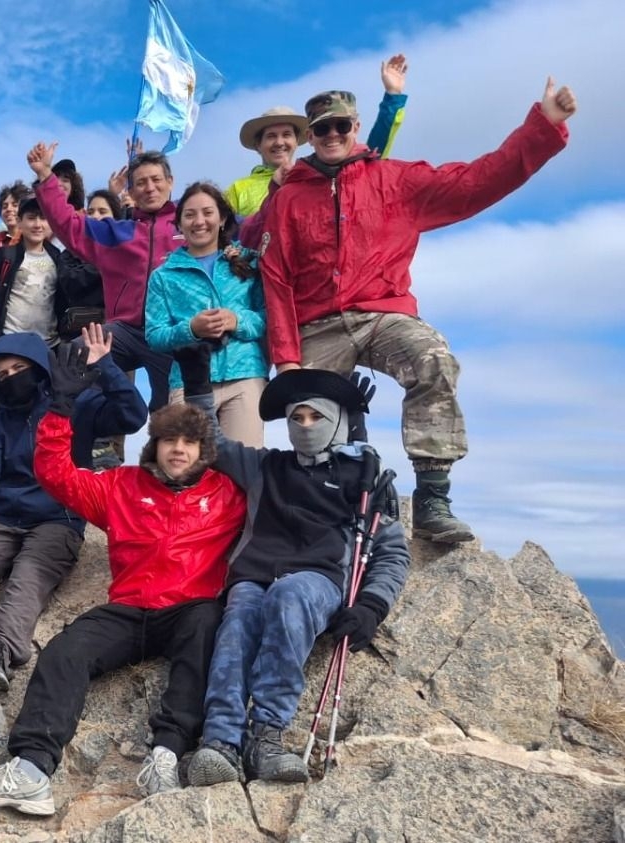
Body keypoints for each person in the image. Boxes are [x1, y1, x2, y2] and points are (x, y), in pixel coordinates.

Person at [258, 78, 576, 542]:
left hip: (382, 314)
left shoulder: (397, 180)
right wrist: (287, 358)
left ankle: (432, 498)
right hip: (317, 324)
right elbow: (276, 275)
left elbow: (478, 180)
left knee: (434, 358)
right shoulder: (287, 197)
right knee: (308, 409)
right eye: (322, 129)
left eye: (340, 126)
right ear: (310, 135)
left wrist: (543, 126)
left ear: (356, 128)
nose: (331, 136)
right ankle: (328, 502)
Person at [0, 326, 246, 812]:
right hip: (129, 609)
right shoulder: (122, 486)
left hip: (189, 606)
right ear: (153, 446)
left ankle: (166, 754)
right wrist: (62, 410)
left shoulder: (227, 493)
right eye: (168, 440)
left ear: (203, 450)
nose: (178, 449)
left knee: (206, 630)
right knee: (65, 651)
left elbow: (288, 498)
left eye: (189, 443)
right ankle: (31, 768)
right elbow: (56, 475)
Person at [176, 355, 410, 786]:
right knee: (238, 620)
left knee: (290, 595)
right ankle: (220, 741)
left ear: (338, 420)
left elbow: (392, 550)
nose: (305, 425)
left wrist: (372, 607)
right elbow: (212, 444)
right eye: (296, 417)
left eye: (316, 416)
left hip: (316, 581)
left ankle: (267, 735)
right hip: (255, 574)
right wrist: (198, 387)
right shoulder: (269, 465)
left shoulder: (365, 477)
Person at [0, 330, 149, 689]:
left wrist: (106, 366)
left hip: (58, 518)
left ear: (39, 367)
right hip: (5, 518)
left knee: (27, 580)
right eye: (3, 374)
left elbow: (132, 415)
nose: (11, 379)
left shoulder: (76, 402)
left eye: (18, 368)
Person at [29, 142, 177, 410]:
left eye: (156, 180)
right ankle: (77, 438)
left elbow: (235, 230)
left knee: (171, 412)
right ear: (130, 191)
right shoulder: (118, 233)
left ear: (170, 182)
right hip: (126, 331)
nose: (150, 187)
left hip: (172, 331)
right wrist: (45, 176)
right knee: (70, 358)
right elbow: (68, 225)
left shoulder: (189, 223)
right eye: (141, 183)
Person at [144, 182, 269, 445]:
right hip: (188, 381)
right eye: (189, 215)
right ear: (179, 224)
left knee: (243, 471)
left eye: (207, 213)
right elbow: (154, 336)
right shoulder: (163, 276)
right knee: (185, 470)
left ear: (222, 218)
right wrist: (191, 328)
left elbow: (269, 317)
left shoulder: (249, 261)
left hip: (245, 376)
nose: (199, 221)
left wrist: (237, 321)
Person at [226, 55, 411, 217]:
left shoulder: (314, 175)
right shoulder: (237, 190)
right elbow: (220, 239)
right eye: (271, 136)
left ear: (298, 141)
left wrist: (392, 97)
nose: (279, 142)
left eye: (287, 135)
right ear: (258, 144)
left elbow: (369, 158)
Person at [0, 196, 90, 348]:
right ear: (19, 222)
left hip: (50, 347)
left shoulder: (60, 259)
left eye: (43, 218)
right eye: (31, 218)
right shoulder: (4, 257)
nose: (37, 224)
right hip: (10, 346)